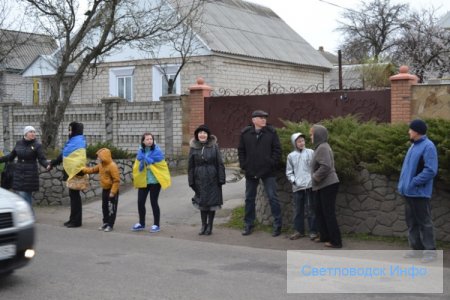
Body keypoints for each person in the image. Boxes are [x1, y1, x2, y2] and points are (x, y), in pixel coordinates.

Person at [398, 119, 438, 263]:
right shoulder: (413, 146)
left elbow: (431, 170)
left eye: (410, 129)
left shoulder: (428, 146)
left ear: (416, 131)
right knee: (412, 223)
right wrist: (403, 185)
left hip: (419, 193)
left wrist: (414, 183)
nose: (408, 131)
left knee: (424, 223)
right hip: (408, 192)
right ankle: (416, 250)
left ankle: (430, 252)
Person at [238, 110, 282, 237]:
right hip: (251, 170)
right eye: (261, 118)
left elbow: (277, 150)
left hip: (268, 171)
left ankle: (277, 225)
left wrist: (271, 163)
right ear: (254, 120)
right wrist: (244, 165)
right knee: (249, 198)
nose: (264, 120)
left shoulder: (271, 132)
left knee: (273, 197)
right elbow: (241, 150)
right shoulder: (245, 133)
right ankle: (248, 224)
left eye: (265, 118)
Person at [188, 124, 226, 235]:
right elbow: (190, 166)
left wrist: (221, 179)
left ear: (208, 135)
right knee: (202, 203)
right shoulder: (193, 148)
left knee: (212, 203)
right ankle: (203, 225)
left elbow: (220, 163)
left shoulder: (214, 146)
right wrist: (191, 181)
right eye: (200, 133)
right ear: (197, 135)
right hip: (199, 179)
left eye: (204, 133)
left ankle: (210, 226)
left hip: (213, 179)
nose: (202, 135)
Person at [0, 126, 49, 209]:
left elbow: (42, 159)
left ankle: (28, 215)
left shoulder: (37, 145)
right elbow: (10, 157)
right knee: (23, 195)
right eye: (31, 132)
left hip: (30, 174)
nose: (33, 134)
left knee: (25, 194)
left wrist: (47, 165)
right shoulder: (19, 143)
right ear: (25, 134)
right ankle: (28, 215)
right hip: (19, 173)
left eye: (34, 132)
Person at [310, 124, 342, 248]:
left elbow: (326, 166)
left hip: (328, 184)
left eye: (312, 134)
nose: (311, 137)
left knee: (328, 213)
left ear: (318, 135)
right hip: (321, 185)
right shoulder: (320, 147)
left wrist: (315, 177)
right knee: (319, 211)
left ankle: (336, 241)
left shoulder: (322, 147)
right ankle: (324, 236)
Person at [49, 122, 87, 228]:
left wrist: (52, 163)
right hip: (73, 172)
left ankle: (76, 221)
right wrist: (52, 163)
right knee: (73, 197)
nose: (69, 132)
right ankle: (73, 219)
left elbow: (67, 156)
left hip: (75, 173)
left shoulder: (77, 142)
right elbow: (64, 155)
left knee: (75, 197)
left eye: (70, 130)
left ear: (74, 131)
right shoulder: (75, 141)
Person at [131, 133, 165, 233]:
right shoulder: (140, 152)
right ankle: (141, 223)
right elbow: (137, 165)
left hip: (155, 181)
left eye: (151, 139)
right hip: (144, 180)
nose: (150, 141)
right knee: (140, 202)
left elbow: (160, 164)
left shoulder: (157, 151)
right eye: (147, 139)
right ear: (143, 141)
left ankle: (156, 224)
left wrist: (149, 162)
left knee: (154, 202)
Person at [286, 132, 317, 240]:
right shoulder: (291, 156)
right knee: (298, 210)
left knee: (311, 209)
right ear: (294, 143)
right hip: (297, 188)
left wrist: (313, 180)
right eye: (299, 141)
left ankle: (313, 231)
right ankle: (299, 231)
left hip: (310, 186)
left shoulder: (311, 152)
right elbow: (289, 172)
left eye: (303, 141)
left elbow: (315, 167)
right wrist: (294, 181)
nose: (301, 143)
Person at [82, 148, 120, 232]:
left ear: (104, 157)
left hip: (112, 190)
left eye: (99, 157)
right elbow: (92, 170)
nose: (97, 158)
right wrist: (82, 170)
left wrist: (113, 192)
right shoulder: (101, 165)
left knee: (111, 208)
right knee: (104, 207)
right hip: (105, 189)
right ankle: (105, 222)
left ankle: (110, 224)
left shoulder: (112, 166)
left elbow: (116, 180)